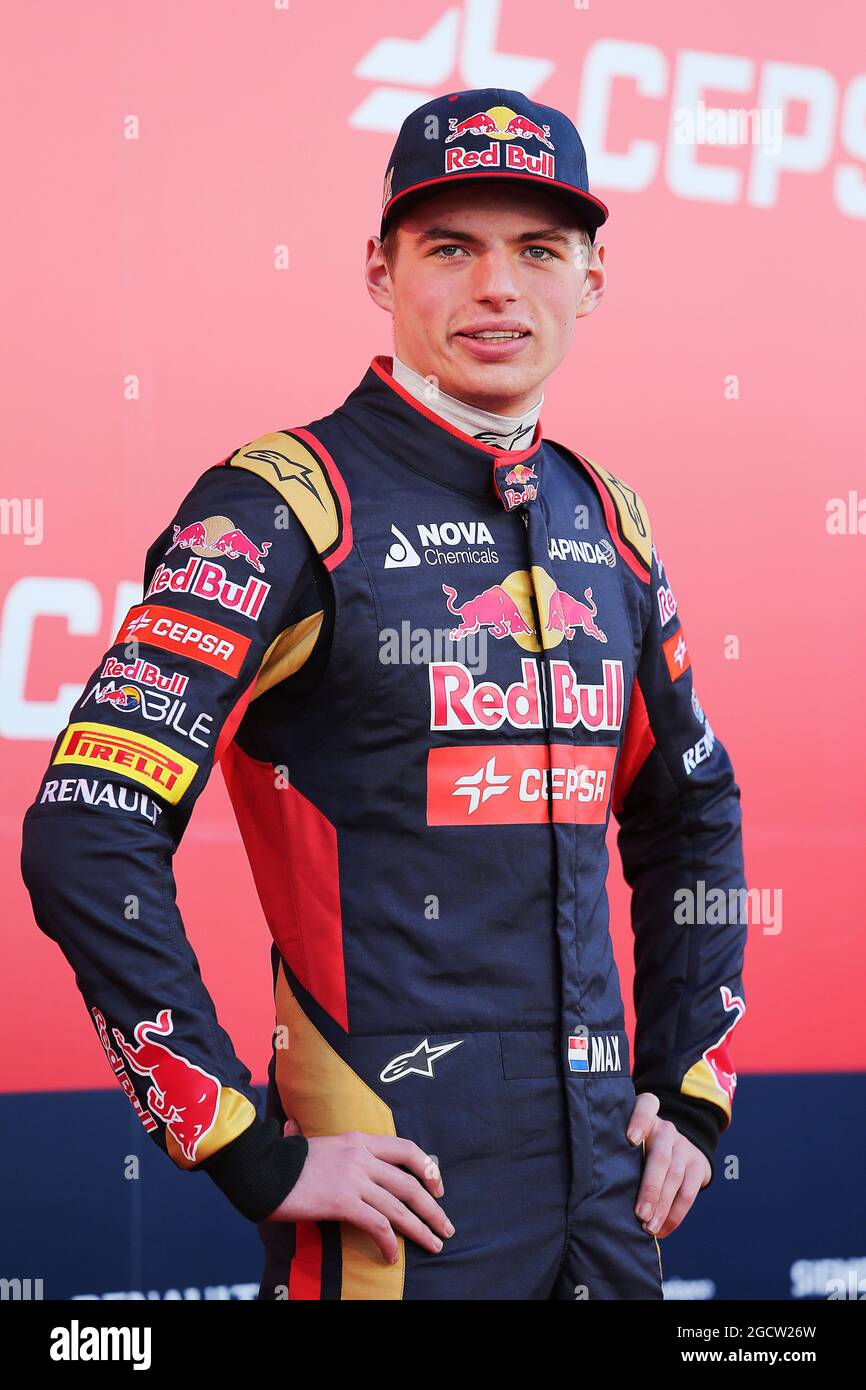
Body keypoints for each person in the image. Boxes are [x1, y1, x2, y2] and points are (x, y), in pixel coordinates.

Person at [21, 87, 747, 1301]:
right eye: (450, 248)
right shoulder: (278, 505)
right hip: (399, 1210)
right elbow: (85, 827)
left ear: (591, 279)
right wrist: (240, 1142)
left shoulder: (606, 520)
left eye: (537, 251)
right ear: (379, 269)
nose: (497, 289)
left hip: (607, 1205)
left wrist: (688, 1088)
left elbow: (693, 811)